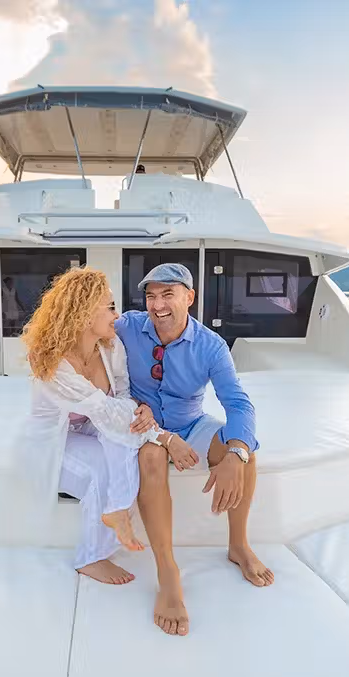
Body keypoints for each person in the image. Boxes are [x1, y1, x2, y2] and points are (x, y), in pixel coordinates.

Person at [115, 262, 273, 636]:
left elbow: (238, 403)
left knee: (244, 451)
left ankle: (238, 545)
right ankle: (167, 571)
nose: (157, 305)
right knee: (152, 455)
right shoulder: (127, 326)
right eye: (151, 296)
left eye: (167, 294)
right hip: (141, 426)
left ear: (190, 297)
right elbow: (87, 329)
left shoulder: (211, 345)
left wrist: (236, 453)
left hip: (191, 424)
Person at [21, 267, 188, 584]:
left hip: (92, 426)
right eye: (110, 307)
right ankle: (91, 557)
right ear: (85, 315)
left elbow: (121, 396)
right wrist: (163, 436)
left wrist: (140, 410)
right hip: (53, 442)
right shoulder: (54, 364)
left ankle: (117, 508)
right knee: (101, 467)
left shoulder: (110, 348)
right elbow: (105, 409)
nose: (117, 315)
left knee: (124, 436)